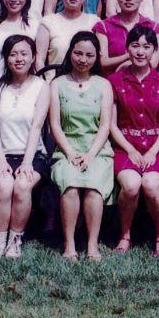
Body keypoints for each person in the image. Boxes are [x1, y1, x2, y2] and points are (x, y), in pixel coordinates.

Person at [49, 32, 116, 261]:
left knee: (93, 187)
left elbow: (105, 125)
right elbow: (55, 125)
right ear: (70, 53)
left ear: (96, 57)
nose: (83, 59)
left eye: (89, 55)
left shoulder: (104, 85)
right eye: (78, 53)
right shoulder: (57, 84)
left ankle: (92, 245)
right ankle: (69, 245)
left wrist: (90, 155)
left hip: (97, 150)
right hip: (66, 149)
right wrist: (70, 153)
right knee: (70, 185)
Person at [108, 25, 159, 256]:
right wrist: (129, 149)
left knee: (151, 185)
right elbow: (112, 124)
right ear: (127, 49)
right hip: (126, 146)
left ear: (154, 51)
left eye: (147, 46)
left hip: (157, 147)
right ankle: (125, 235)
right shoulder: (115, 81)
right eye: (135, 46)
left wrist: (153, 152)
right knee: (131, 185)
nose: (140, 51)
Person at [0, 34, 49, 260]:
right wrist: (1, 161)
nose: (19, 59)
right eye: (13, 54)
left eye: (24, 54)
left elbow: (37, 126)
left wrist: (27, 163)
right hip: (3, 154)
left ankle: (15, 239)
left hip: (32, 154)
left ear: (33, 57)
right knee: (3, 186)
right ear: (6, 58)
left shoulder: (41, 86)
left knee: (22, 185)